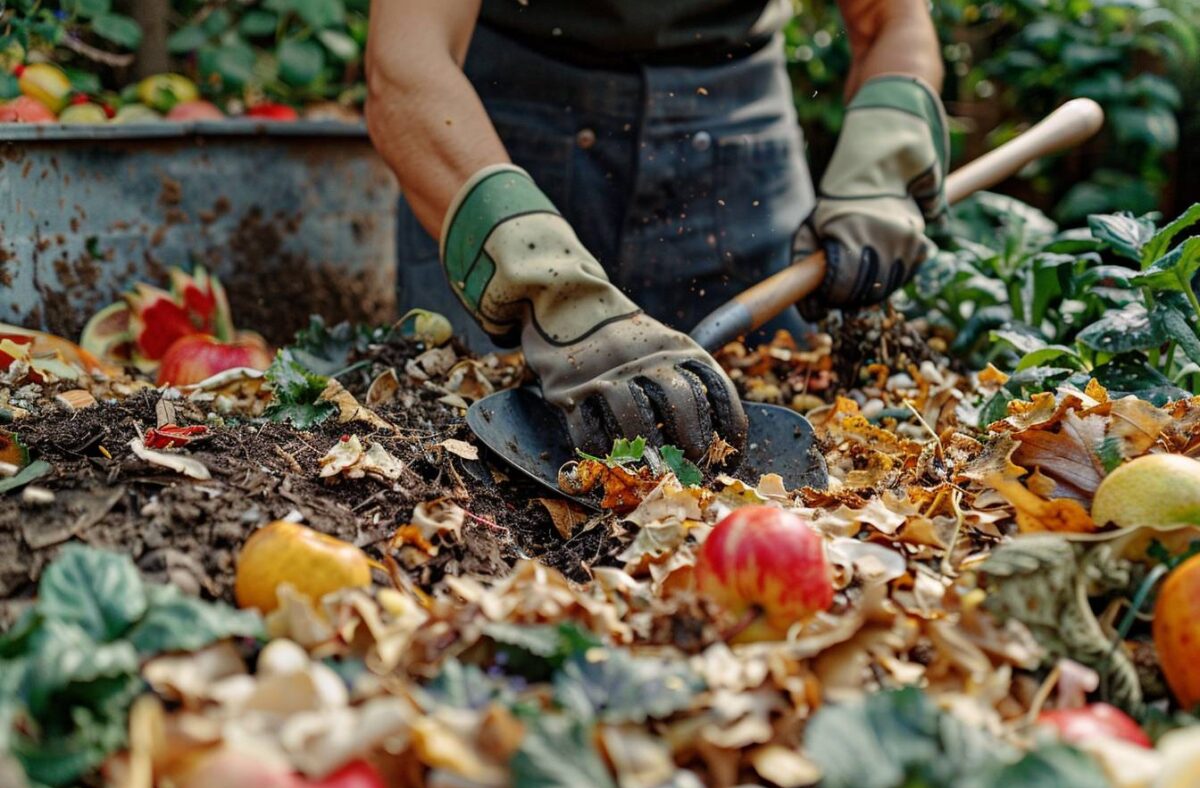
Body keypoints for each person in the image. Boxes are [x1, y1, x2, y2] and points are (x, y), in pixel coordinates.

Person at [365, 0, 946, 462]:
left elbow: (891, 19)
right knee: (447, 436)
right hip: (495, 128)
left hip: (736, 136)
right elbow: (406, 64)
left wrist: (886, 153)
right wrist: (543, 278)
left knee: (778, 396)